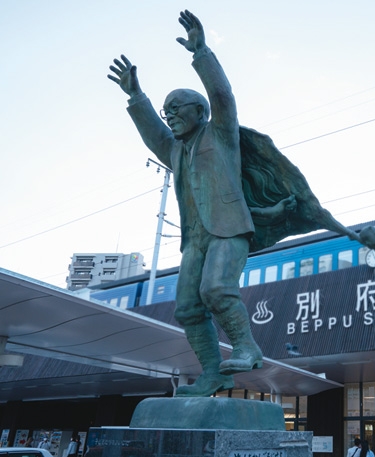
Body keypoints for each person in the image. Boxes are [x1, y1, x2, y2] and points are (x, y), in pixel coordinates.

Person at [109, 10, 359, 397]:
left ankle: (247, 347)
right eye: (166, 111)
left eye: (177, 108)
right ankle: (214, 374)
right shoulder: (175, 151)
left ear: (200, 113)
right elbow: (153, 134)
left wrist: (201, 53)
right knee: (188, 309)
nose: (170, 116)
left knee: (216, 288)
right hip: (195, 240)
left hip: (229, 229)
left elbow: (223, 96)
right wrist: (135, 96)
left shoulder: (220, 135)